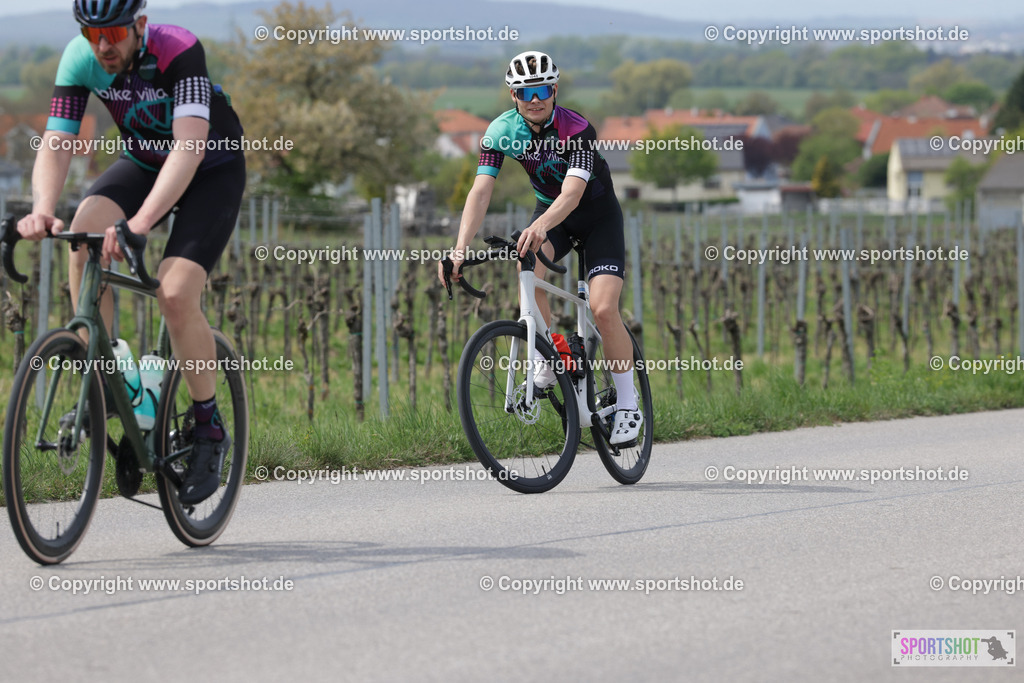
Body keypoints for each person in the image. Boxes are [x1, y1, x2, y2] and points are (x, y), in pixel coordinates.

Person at [17, 0, 245, 504]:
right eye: (93, 32)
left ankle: (208, 429)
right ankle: (112, 378)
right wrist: (42, 209)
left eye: (115, 32)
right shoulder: (80, 58)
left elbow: (188, 148)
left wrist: (140, 224)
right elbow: (56, 142)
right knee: (82, 235)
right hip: (144, 162)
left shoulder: (178, 50)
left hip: (209, 168)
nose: (104, 45)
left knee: (176, 291)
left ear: (140, 25)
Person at [437, 50, 641, 445]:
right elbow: (481, 191)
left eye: (543, 89)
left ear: (555, 90)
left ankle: (630, 404)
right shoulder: (499, 132)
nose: (535, 99)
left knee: (601, 308)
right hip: (551, 213)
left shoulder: (577, 129)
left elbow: (573, 192)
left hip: (596, 216)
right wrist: (459, 247)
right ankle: (549, 354)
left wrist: (539, 226)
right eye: (525, 92)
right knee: (526, 269)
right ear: (513, 96)